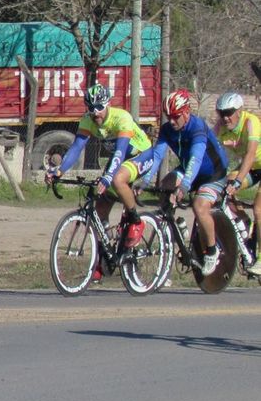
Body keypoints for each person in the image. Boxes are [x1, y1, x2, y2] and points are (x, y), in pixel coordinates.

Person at [43, 83, 161, 273]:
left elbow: (120, 153)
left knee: (117, 179)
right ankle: (104, 257)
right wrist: (59, 171)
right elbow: (75, 149)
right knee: (99, 210)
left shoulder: (121, 118)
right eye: (90, 108)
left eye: (99, 108)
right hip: (119, 160)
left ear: (107, 104)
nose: (95, 112)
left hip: (141, 154)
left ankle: (136, 220)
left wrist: (107, 177)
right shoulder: (88, 120)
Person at [129, 89, 229, 276]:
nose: (172, 121)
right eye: (169, 117)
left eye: (175, 117)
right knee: (166, 185)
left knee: (199, 207)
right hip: (189, 170)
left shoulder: (197, 127)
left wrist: (184, 186)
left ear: (186, 113)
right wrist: (145, 181)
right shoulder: (168, 129)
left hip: (212, 174)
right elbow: (157, 155)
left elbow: (196, 159)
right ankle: (175, 230)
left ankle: (212, 250)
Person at [215, 90, 260, 272]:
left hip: (252, 163)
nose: (226, 118)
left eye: (229, 112)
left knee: (258, 208)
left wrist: (238, 181)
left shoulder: (251, 122)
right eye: (222, 113)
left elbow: (250, 154)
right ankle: (244, 222)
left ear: (239, 111)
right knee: (224, 189)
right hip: (253, 168)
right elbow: (209, 150)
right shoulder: (220, 127)